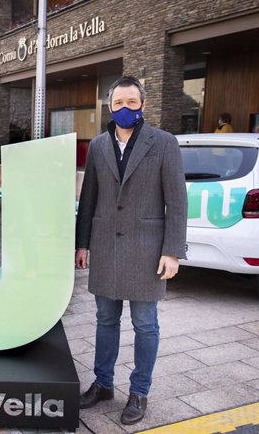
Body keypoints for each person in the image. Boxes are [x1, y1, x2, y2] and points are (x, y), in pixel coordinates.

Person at [75, 76, 187, 425]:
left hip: (146, 249)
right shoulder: (98, 145)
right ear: (110, 107)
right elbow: (88, 197)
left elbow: (177, 200)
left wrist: (172, 251)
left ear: (143, 105)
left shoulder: (164, 143)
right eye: (118, 103)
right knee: (106, 319)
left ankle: (139, 392)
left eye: (132, 103)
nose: (125, 109)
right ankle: (104, 383)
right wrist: (83, 244)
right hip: (106, 246)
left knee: (145, 323)